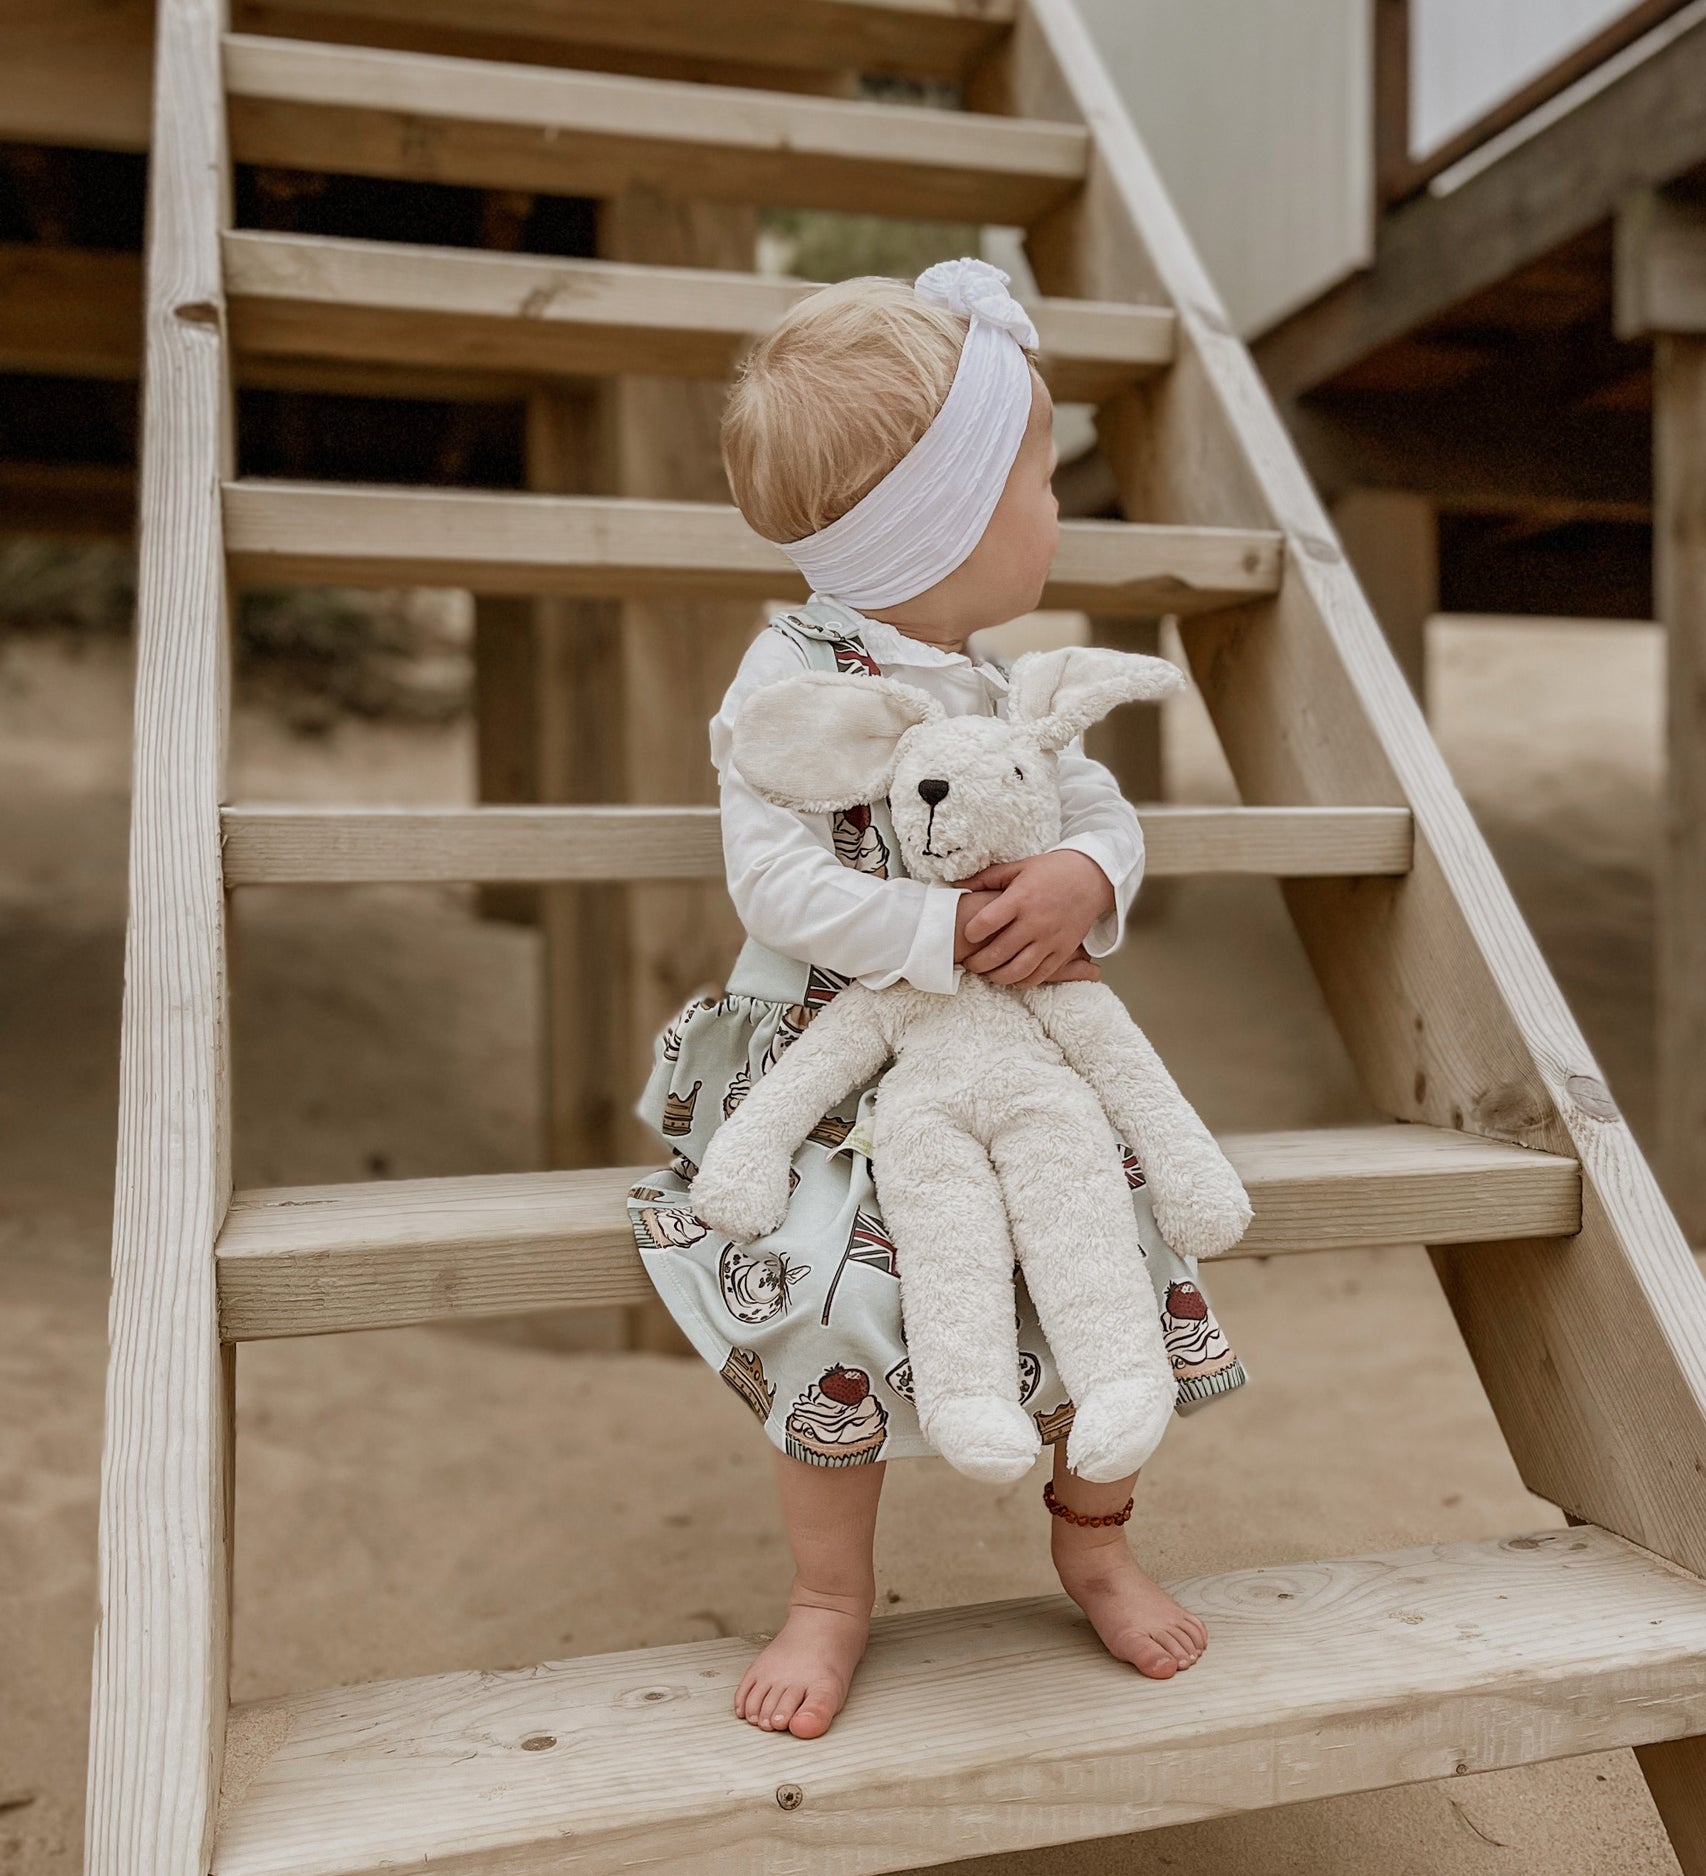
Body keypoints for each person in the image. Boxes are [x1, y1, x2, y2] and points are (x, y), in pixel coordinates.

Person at [624, 259, 1246, 1740]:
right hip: (839, 1071)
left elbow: (1099, 802)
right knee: (829, 1307)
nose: (1052, 506)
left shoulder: (994, 676)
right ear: (945, 517)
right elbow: (774, 884)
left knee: (1124, 1234)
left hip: (1017, 1065)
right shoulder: (786, 679)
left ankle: (1093, 1533)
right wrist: (933, 929)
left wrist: (1088, 879)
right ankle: (830, 1596)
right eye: (1034, 475)